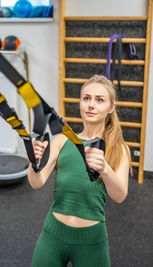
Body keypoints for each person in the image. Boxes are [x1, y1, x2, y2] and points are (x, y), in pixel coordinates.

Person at [28, 74, 131, 267]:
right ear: (80, 103)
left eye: (99, 100)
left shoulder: (119, 149)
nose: (91, 105)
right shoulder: (61, 141)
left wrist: (104, 168)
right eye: (86, 98)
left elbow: (120, 195)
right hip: (53, 234)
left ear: (111, 107)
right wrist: (34, 163)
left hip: (91, 240)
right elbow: (37, 182)